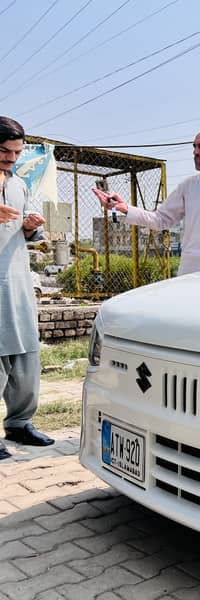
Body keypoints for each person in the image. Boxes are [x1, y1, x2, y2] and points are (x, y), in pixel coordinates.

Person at [92, 129, 200, 276]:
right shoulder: (188, 186)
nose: (195, 152)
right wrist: (124, 208)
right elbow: (160, 220)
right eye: (194, 146)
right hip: (192, 274)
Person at [0, 116, 54, 460]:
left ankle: (20, 423)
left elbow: (25, 231)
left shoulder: (18, 184)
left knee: (25, 354)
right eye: (5, 151)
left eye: (16, 152)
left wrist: (32, 227)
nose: (11, 158)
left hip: (16, 280)